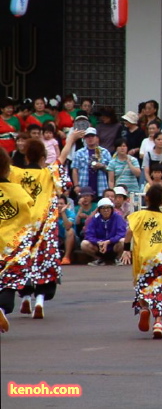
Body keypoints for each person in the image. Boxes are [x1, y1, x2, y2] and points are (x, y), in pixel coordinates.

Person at [9, 132, 80, 320]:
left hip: (22, 229)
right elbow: (62, 158)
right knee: (44, 264)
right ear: (42, 157)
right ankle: (39, 299)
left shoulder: (16, 173)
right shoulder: (49, 173)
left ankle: (24, 298)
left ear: (26, 156)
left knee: (22, 263)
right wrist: (71, 139)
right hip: (45, 230)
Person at [120, 185, 162, 339]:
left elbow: (129, 233)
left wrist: (126, 249)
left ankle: (144, 308)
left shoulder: (138, 216)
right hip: (161, 258)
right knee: (160, 289)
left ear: (146, 198)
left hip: (144, 258)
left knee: (143, 286)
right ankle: (158, 322)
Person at [0, 147, 35, 333]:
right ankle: (2, 309)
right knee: (9, 283)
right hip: (11, 245)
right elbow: (28, 215)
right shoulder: (18, 192)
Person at [80, 197, 127, 266]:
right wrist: (98, 242)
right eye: (103, 208)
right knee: (84, 244)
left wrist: (109, 241)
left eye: (108, 208)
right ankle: (98, 259)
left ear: (111, 209)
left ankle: (117, 258)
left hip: (113, 245)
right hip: (99, 246)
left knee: (123, 241)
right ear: (99, 210)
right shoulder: (94, 219)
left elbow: (121, 233)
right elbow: (89, 235)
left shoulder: (118, 218)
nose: (106, 210)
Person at [57, 195, 77, 265]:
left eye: (61, 204)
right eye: (57, 204)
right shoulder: (51, 214)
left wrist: (62, 213)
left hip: (71, 239)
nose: (59, 205)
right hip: (57, 238)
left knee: (70, 231)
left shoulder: (71, 213)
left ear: (66, 205)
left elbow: (67, 226)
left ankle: (66, 257)